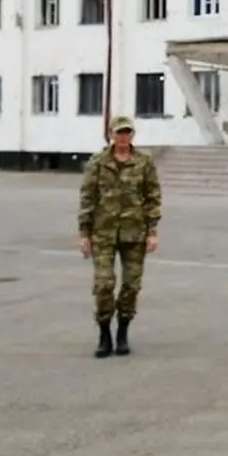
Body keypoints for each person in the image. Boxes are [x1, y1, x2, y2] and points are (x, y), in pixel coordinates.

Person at [77, 114, 162, 359]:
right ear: (111, 135)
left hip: (135, 233)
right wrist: (84, 233)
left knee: (131, 286)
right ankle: (105, 333)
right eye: (119, 133)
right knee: (104, 284)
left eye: (127, 133)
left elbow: (152, 197)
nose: (123, 137)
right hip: (103, 233)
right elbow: (87, 198)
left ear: (132, 135)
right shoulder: (98, 162)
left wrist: (152, 231)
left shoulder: (144, 162)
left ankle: (123, 331)